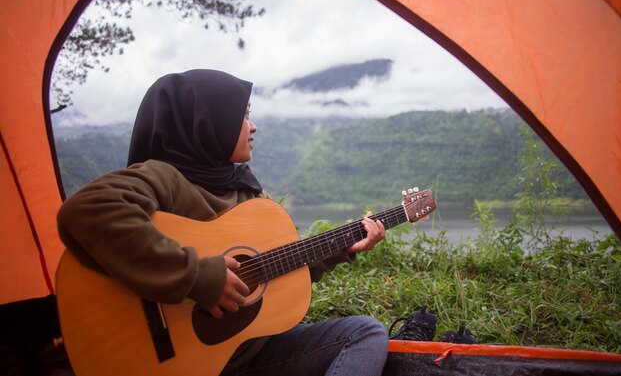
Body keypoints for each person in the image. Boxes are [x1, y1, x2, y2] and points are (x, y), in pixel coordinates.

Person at [56, 69, 389, 376]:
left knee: (366, 333)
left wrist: (341, 248)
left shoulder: (247, 192)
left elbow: (278, 271)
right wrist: (198, 276)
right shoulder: (165, 178)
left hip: (251, 353)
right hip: (181, 363)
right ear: (207, 121)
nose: (253, 126)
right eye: (242, 115)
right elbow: (87, 209)